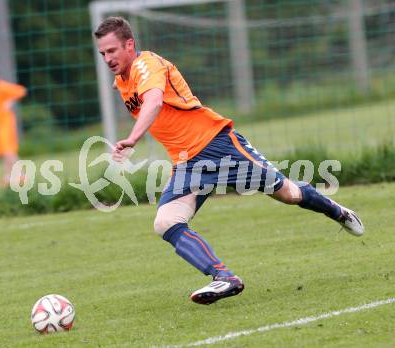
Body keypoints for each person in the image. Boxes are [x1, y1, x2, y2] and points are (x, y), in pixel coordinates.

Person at [94, 17, 364, 305]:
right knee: (166, 222)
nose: (107, 58)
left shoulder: (146, 64)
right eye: (103, 54)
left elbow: (154, 101)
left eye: (112, 51)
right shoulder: (122, 80)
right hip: (188, 163)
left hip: (218, 145)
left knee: (288, 193)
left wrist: (133, 138)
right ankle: (224, 277)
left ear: (130, 44)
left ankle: (337, 211)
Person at [0, 68, 27, 187]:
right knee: (3, 152)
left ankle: (22, 175)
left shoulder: (1, 86)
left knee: (8, 150)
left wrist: (9, 101)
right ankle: (7, 176)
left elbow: (21, 91)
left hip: (5, 123)